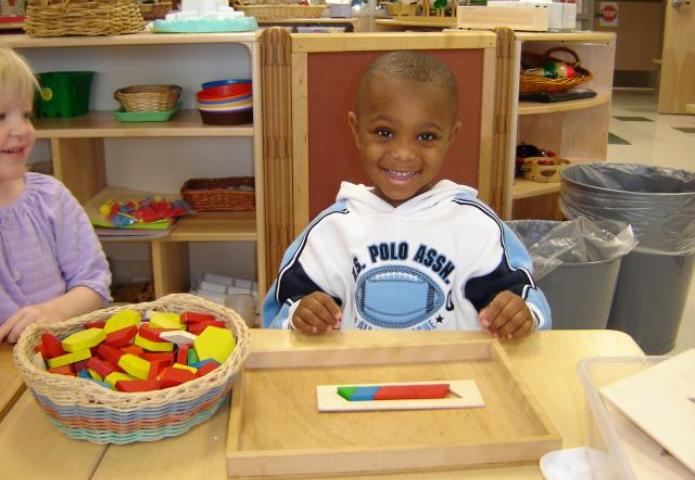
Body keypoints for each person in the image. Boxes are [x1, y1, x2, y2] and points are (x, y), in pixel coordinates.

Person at [263, 51, 551, 339]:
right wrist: (301, 315)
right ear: (356, 130)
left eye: (426, 137)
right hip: (357, 381)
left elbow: (526, 298)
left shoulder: (475, 226)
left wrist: (521, 315)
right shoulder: (332, 231)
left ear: (451, 136)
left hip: (452, 379)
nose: (402, 153)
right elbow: (280, 314)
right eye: (384, 132)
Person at [0, 47, 111, 343]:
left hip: (58, 361)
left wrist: (55, 311)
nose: (21, 129)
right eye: (0, 116)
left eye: (25, 114)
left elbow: (94, 283)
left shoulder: (50, 197)